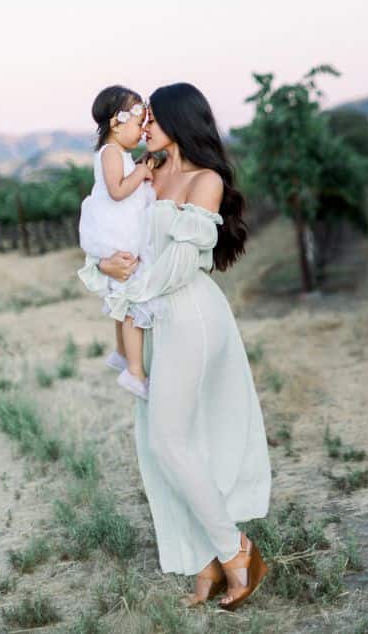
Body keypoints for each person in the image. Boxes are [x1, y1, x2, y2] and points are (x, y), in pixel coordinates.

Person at [81, 82, 273, 610]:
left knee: (170, 438)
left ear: (178, 121)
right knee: (160, 443)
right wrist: (104, 264)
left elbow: (183, 262)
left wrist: (134, 289)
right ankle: (203, 560)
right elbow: (110, 232)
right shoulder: (145, 171)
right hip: (155, 318)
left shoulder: (204, 180)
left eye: (153, 117)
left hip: (189, 313)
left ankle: (238, 551)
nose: (145, 125)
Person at [76, 85, 157, 398]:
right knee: (131, 306)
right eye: (139, 123)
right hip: (117, 238)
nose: (141, 131)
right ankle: (134, 371)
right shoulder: (111, 153)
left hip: (118, 235)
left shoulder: (119, 153)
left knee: (122, 303)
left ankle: (122, 353)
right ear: (115, 123)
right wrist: (141, 172)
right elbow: (118, 190)